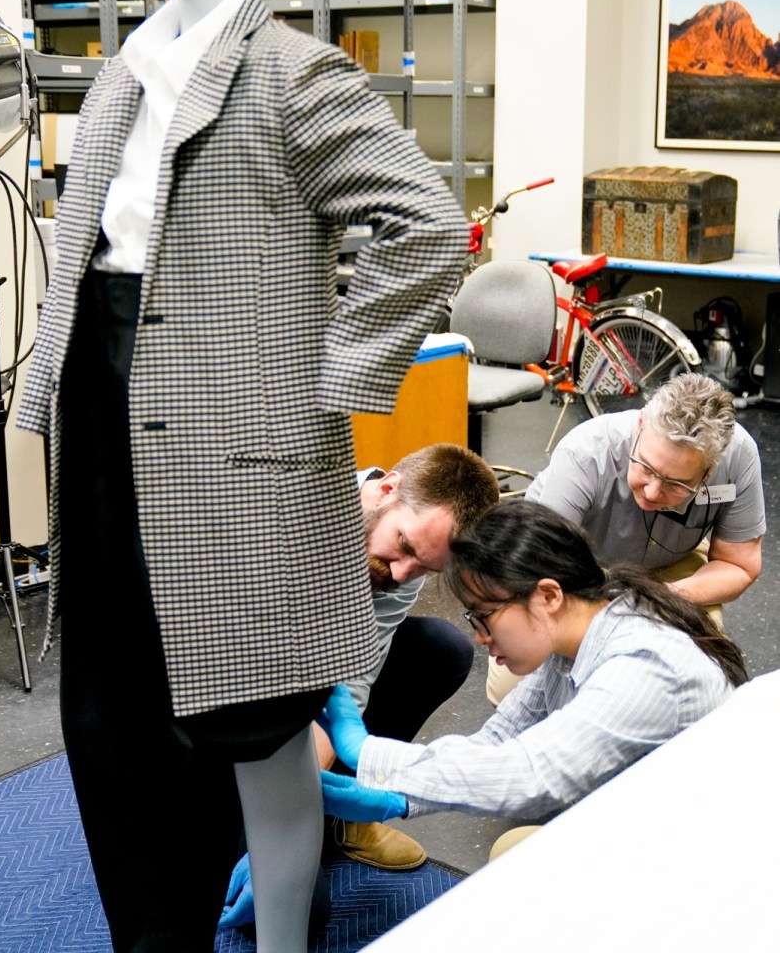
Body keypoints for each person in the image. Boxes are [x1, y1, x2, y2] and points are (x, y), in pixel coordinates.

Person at [15, 0, 468, 950]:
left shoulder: (294, 73)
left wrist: (326, 384)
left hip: (239, 442)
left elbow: (427, 227)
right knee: (111, 720)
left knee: (254, 720)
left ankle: (280, 940)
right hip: (101, 413)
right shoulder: (118, 77)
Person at [317, 501, 747, 846]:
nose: (481, 637)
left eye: (484, 615)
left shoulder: (646, 666)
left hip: (704, 844)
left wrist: (364, 750)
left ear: (547, 595)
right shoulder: (576, 635)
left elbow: (527, 774)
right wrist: (397, 799)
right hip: (653, 812)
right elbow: (497, 742)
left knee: (518, 856)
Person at [219, 444, 499, 933]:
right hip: (215, 704)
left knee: (443, 648)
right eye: (406, 547)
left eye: (426, 568)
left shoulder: (402, 567)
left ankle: (339, 811)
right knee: (276, 893)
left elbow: (351, 683)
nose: (402, 574)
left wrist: (293, 801)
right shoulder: (279, 516)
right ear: (387, 489)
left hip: (304, 699)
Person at [483, 372, 765, 705]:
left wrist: (659, 600)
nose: (652, 491)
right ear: (641, 424)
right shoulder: (586, 453)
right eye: (646, 467)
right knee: (512, 690)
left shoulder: (739, 456)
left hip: (670, 568)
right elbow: (540, 571)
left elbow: (739, 564)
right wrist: (605, 619)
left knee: (696, 677)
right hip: (569, 570)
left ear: (709, 470)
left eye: (677, 484)